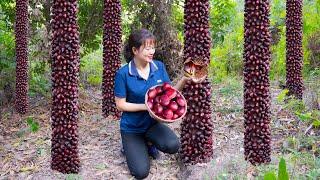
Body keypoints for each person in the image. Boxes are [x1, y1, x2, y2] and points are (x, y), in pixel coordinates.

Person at [114, 29, 195, 179]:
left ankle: (149, 142)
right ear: (135, 50)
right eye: (147, 48)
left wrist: (185, 79)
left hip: (151, 124)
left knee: (173, 145)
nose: (152, 51)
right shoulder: (123, 74)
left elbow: (169, 94)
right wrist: (147, 106)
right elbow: (120, 105)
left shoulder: (158, 67)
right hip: (132, 128)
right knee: (140, 172)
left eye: (153, 47)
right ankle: (130, 146)